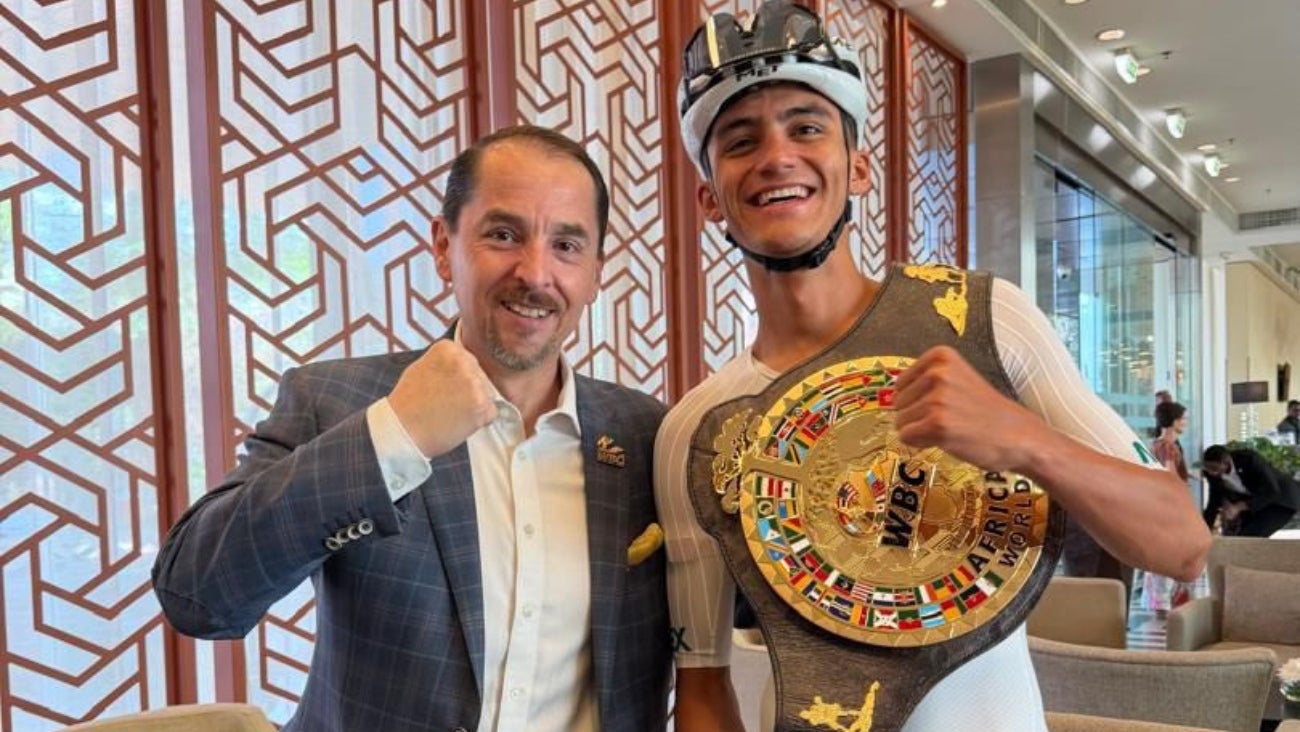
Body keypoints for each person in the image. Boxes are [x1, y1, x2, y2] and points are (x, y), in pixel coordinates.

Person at [653, 3, 1211, 730]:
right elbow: (701, 686)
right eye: (740, 140)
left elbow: (1183, 545)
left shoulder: (985, 321)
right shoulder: (697, 431)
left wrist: (1022, 440)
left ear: (858, 168)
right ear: (709, 199)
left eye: (807, 127)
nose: (776, 156)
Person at [152, 125, 672, 732]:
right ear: (443, 247)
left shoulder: (647, 436)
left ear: (596, 272)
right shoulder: (337, 403)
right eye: (503, 235)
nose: (535, 273)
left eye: (566, 245)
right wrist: (393, 436)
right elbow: (198, 597)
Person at [1142, 401, 1193, 612]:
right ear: (1174, 421)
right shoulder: (1168, 447)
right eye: (1183, 418)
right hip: (1169, 507)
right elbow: (1170, 477)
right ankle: (1165, 602)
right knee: (1171, 554)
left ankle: (1159, 601)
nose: (1185, 422)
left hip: (1157, 506)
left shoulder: (1155, 445)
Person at [1202, 444, 1300, 537]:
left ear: (1226, 462)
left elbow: (1271, 490)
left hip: (1281, 500)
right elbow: (1213, 504)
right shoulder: (1213, 476)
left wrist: (1238, 507)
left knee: (1251, 535)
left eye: (1214, 468)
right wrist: (1203, 531)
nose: (1211, 472)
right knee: (1238, 536)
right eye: (1207, 468)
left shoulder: (1249, 459)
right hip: (1255, 503)